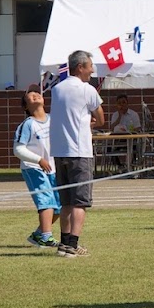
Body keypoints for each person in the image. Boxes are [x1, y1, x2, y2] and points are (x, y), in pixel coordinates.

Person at [49, 50, 105, 258]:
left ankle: (64, 243)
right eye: (90, 66)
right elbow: (100, 118)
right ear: (80, 67)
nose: (92, 70)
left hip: (60, 151)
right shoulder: (87, 89)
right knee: (80, 202)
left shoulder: (57, 89)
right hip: (79, 151)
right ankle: (73, 244)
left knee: (66, 201)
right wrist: (91, 121)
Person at [14, 89, 60, 249]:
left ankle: (39, 234)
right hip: (33, 168)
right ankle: (47, 237)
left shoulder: (53, 119)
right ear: (26, 106)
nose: (35, 95)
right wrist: (38, 160)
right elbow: (18, 149)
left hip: (53, 167)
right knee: (46, 200)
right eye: (30, 97)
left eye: (37, 93)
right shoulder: (28, 124)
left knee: (59, 206)